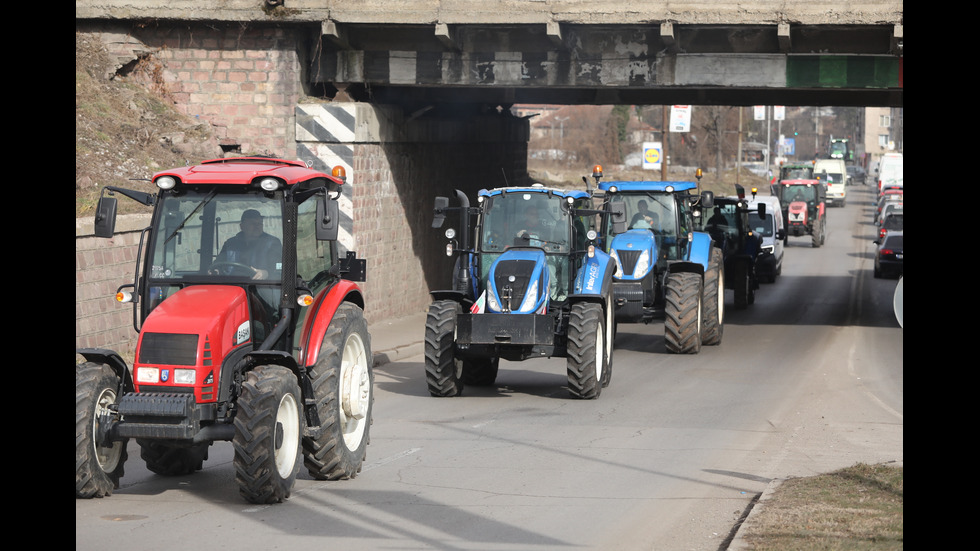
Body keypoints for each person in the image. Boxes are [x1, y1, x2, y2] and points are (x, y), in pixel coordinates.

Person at [214, 209, 282, 279]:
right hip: (233, 284)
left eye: (260, 223)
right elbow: (218, 263)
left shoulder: (272, 243)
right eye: (253, 224)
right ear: (242, 226)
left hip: (260, 286)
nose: (257, 226)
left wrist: (266, 273)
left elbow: (278, 268)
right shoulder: (230, 244)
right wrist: (216, 270)